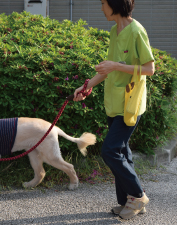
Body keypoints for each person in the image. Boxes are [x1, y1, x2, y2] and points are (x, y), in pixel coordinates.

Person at [73, 0, 155, 220]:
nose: (101, 8)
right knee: (123, 151)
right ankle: (130, 201)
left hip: (131, 103)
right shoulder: (114, 31)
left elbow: (150, 68)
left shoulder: (137, 31)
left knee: (110, 150)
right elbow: (108, 69)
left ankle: (138, 196)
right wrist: (86, 87)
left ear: (115, 3)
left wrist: (115, 66)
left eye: (103, 3)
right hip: (114, 103)